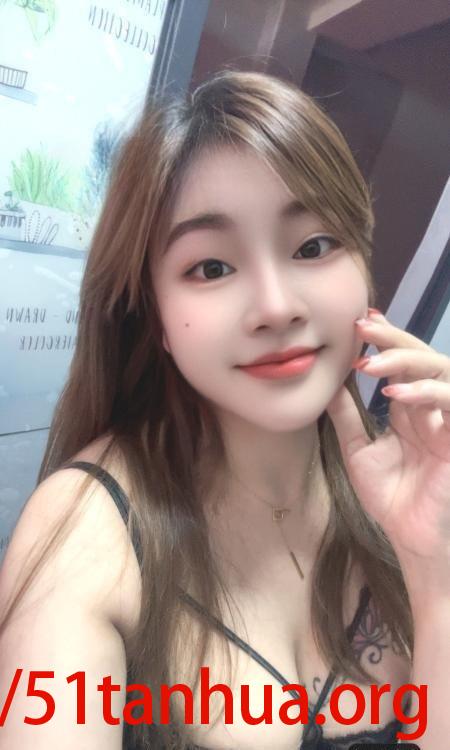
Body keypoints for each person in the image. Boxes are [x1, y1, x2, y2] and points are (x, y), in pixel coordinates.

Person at [0, 68, 448, 750]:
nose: (276, 306)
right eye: (211, 267)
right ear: (155, 317)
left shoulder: (406, 484)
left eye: (313, 246)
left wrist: (432, 569)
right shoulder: (85, 534)